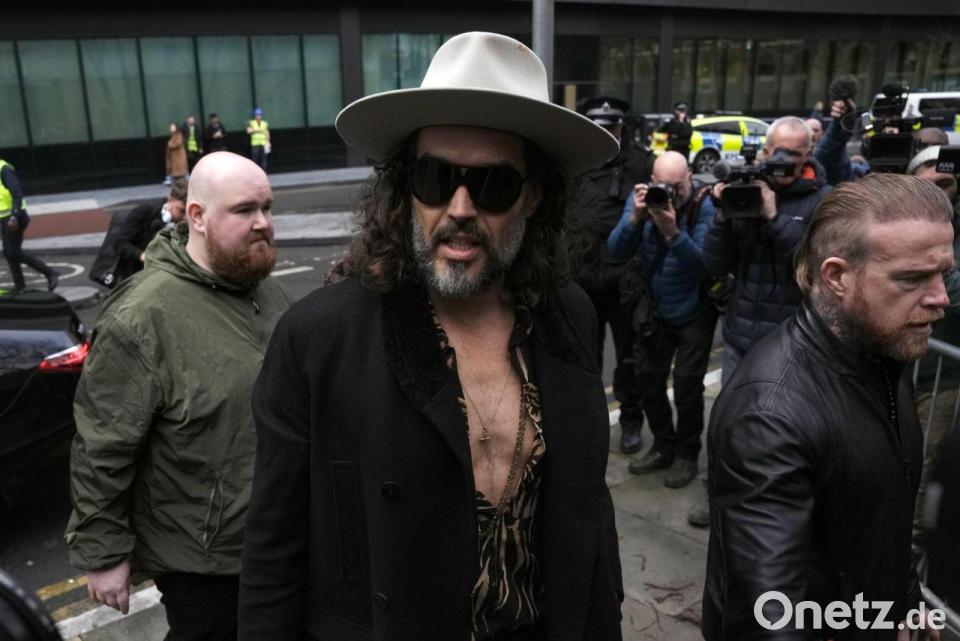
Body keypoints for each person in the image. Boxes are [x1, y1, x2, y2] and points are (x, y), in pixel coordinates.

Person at [238, 32, 624, 641]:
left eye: (493, 185)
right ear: (404, 189)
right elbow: (272, 550)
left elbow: (586, 510)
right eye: (435, 177)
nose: (461, 207)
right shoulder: (319, 338)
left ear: (532, 196)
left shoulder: (567, 314)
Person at [703, 174, 951, 640]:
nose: (941, 298)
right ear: (837, 276)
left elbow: (879, 527)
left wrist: (905, 603)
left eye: (943, 273)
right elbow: (768, 621)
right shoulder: (769, 416)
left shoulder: (881, 356)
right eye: (912, 278)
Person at [65, 152, 290, 641]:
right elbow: (102, 444)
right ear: (197, 217)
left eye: (268, 208)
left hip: (275, 535)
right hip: (201, 558)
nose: (263, 223)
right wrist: (103, 553)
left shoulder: (263, 289)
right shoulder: (141, 316)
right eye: (245, 209)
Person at [607, 151, 718, 488]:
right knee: (648, 381)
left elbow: (705, 265)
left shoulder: (703, 206)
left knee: (686, 386)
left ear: (690, 179)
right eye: (663, 185)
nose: (669, 193)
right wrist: (634, 219)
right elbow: (615, 251)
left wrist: (672, 232)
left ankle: (686, 455)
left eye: (677, 186)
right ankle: (663, 446)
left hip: (695, 311)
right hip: (656, 310)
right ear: (653, 181)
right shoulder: (642, 200)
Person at [704, 116, 831, 384]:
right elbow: (715, 264)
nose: (784, 161)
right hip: (739, 339)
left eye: (794, 154)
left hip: (792, 343)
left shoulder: (823, 199)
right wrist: (722, 217)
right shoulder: (744, 188)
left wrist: (773, 217)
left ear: (808, 155)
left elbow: (813, 267)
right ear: (765, 151)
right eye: (779, 152)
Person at [571, 96, 653, 454]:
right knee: (583, 358)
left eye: (613, 127)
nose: (607, 134)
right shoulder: (572, 159)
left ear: (622, 127)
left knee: (629, 358)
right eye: (599, 128)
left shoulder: (640, 162)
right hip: (580, 279)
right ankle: (586, 425)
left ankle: (631, 420)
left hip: (624, 282)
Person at [906, 144, 960, 547]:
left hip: (939, 379)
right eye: (925, 187)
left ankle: (909, 549)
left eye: (944, 184)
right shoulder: (894, 224)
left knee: (923, 466)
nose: (935, 195)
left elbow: (951, 292)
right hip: (894, 369)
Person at [111, 177, 188, 284]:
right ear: (170, 200)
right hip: (137, 276)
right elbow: (119, 243)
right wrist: (143, 256)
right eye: (182, 211)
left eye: (188, 212)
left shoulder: (187, 223)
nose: (185, 217)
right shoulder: (145, 211)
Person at [0, 157, 58, 293]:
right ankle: (20, 286)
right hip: (4, 218)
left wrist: (14, 216)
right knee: (10, 252)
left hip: (15, 217)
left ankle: (50, 272)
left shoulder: (4, 169)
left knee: (13, 252)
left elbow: (17, 194)